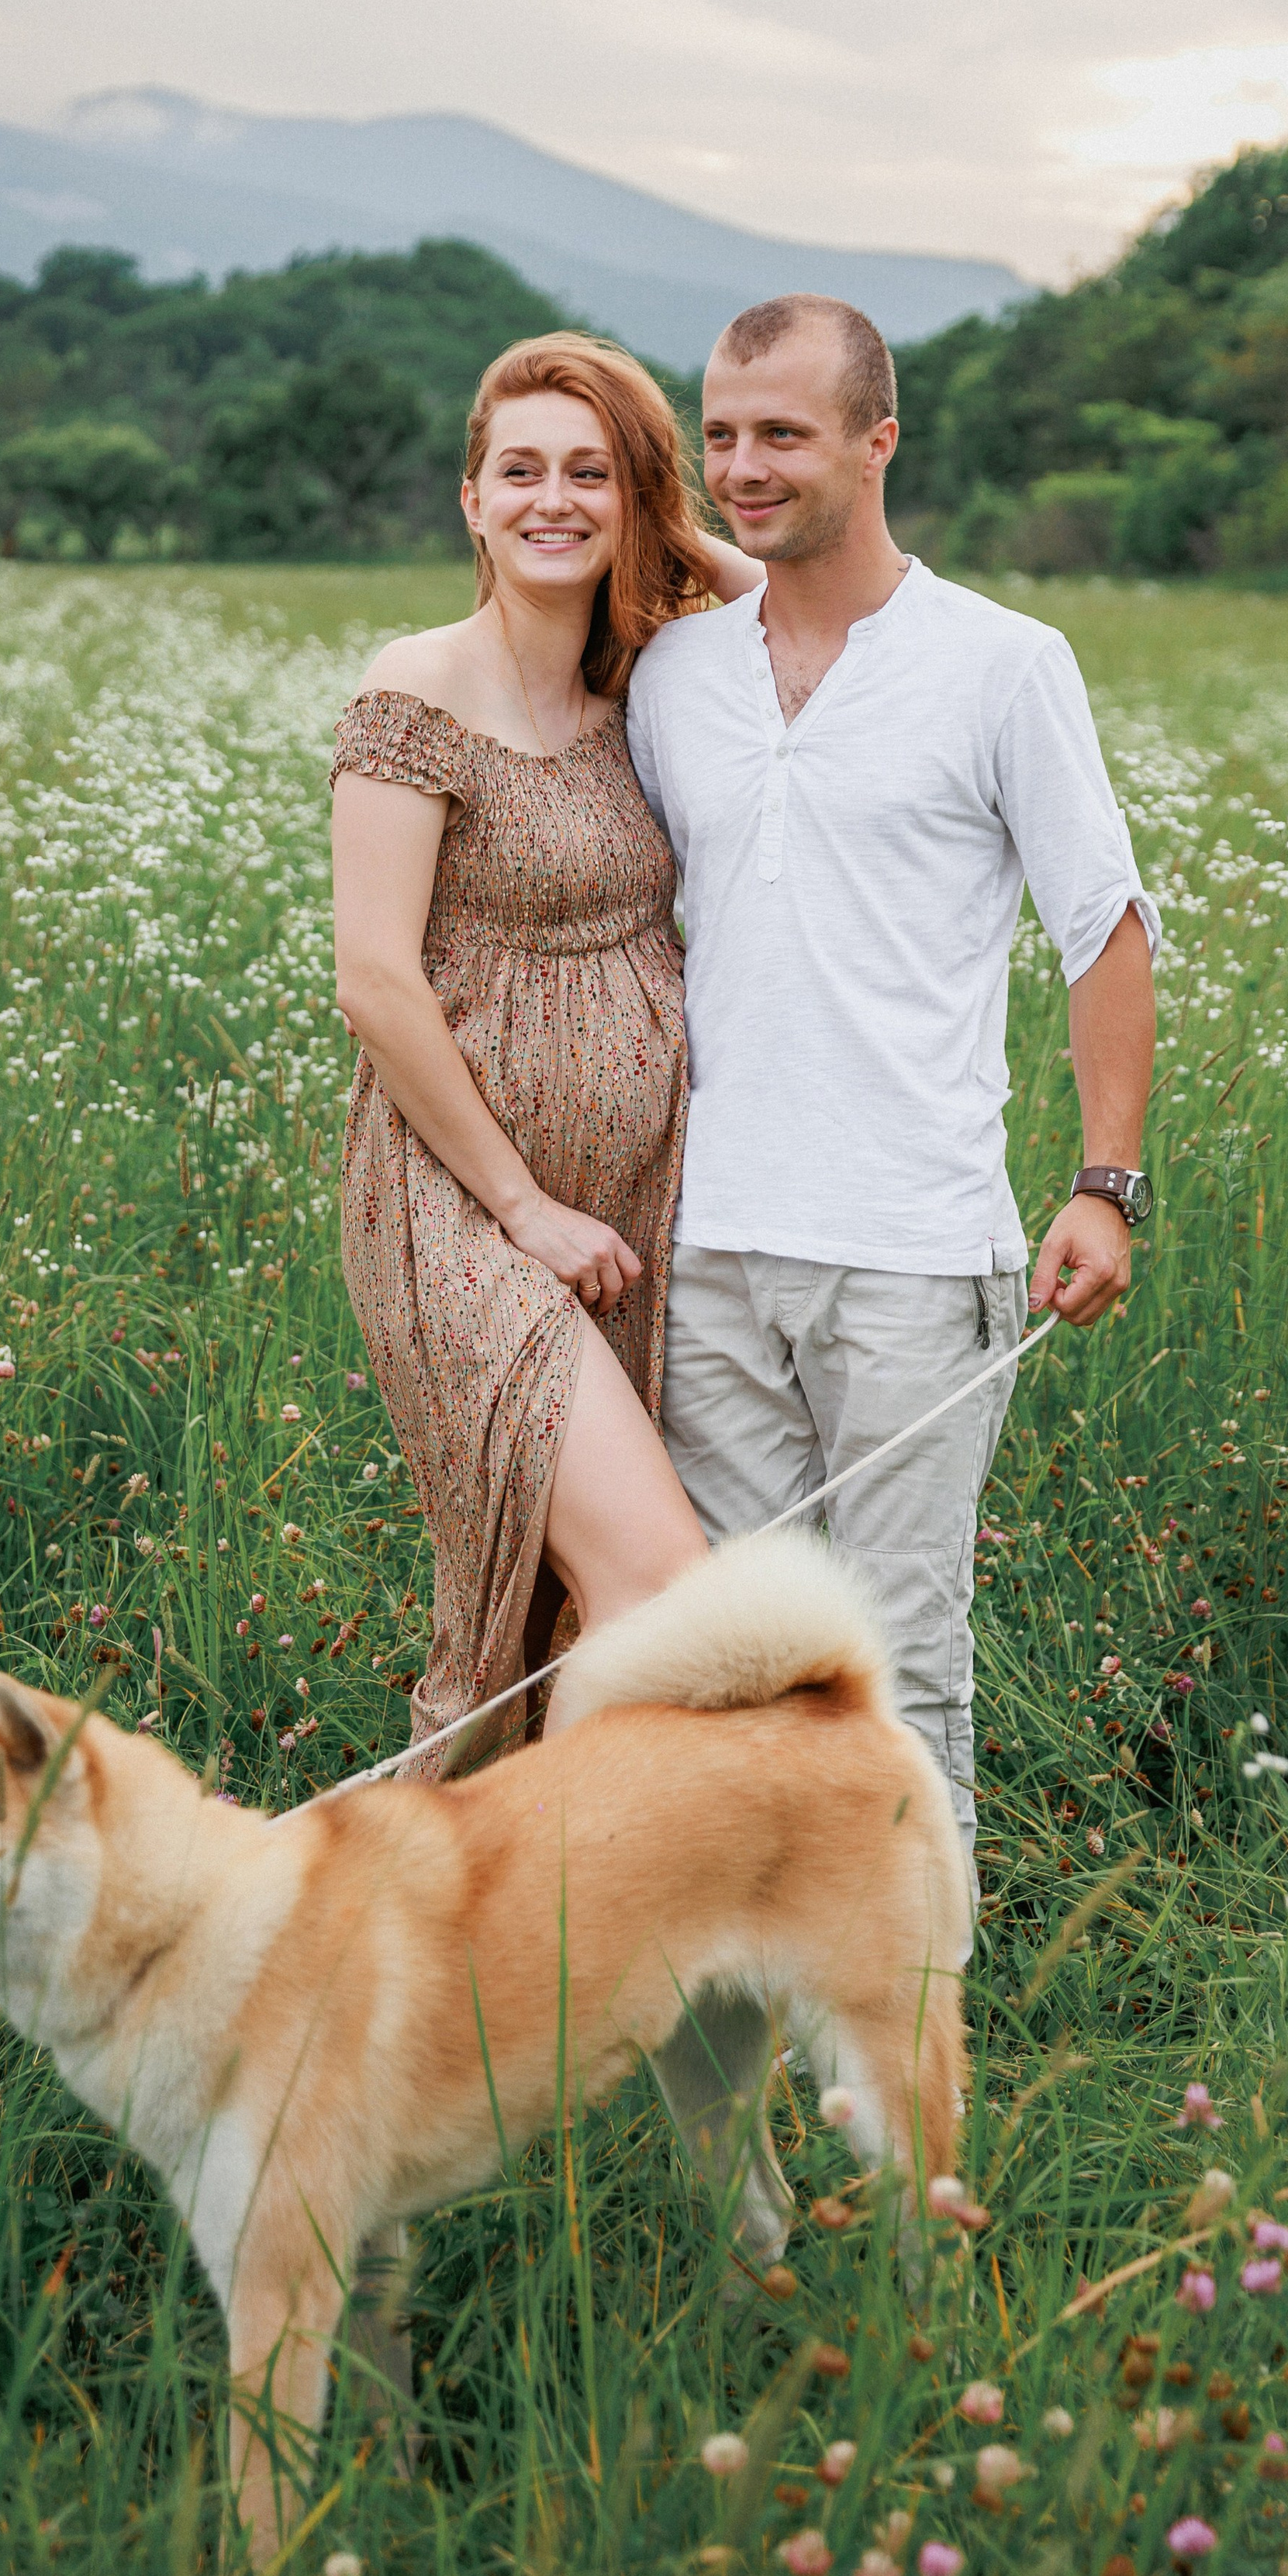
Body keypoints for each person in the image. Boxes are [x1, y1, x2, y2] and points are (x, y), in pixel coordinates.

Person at [627, 289, 1160, 1869]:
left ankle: (908, 2045)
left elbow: (1103, 924)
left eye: (780, 433)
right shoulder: (674, 678)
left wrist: (1102, 1182)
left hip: (915, 1253)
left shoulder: (998, 662)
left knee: (895, 1669)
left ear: (877, 441)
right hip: (707, 1244)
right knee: (737, 1668)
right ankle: (760, 1997)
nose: (742, 465)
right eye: (718, 433)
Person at [330, 334, 761, 1770]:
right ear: (469, 499)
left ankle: (471, 1947)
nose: (551, 501)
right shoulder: (418, 688)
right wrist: (523, 1207)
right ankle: (553, 1927)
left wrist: (653, 508)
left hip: (627, 1214)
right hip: (465, 1215)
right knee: (658, 1587)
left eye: (590, 475)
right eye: (519, 473)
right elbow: (377, 980)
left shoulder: (648, 691)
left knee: (564, 1610)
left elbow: (807, 602)